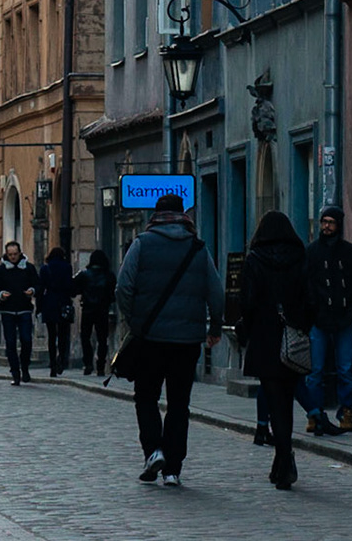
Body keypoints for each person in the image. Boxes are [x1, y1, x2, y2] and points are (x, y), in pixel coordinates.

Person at [115, 193, 225, 488]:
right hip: (187, 341)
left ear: (156, 215)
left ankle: (154, 451)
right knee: (179, 403)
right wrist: (215, 325)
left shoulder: (141, 244)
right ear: (183, 215)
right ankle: (173, 469)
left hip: (150, 338)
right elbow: (216, 292)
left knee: (146, 397)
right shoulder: (198, 248)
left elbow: (123, 287)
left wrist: (135, 320)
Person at [237, 211, 309, 490]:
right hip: (292, 338)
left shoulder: (255, 259)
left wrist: (250, 328)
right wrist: (301, 324)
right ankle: (283, 459)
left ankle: (284, 459)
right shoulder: (300, 257)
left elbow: (247, 301)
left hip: (264, 338)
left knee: (274, 399)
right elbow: (311, 298)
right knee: (287, 401)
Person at [301, 204, 352, 436]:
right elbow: (305, 286)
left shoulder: (350, 252)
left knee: (345, 369)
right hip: (318, 320)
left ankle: (346, 411)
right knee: (315, 370)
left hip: (343, 319)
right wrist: (313, 312)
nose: (326, 226)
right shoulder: (311, 252)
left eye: (331, 222)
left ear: (339, 225)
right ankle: (314, 413)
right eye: (324, 222)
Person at [0, 241, 39, 384]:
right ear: (6, 254)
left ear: (20, 253)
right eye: (10, 255)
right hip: (7, 310)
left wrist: (32, 291)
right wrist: (0, 294)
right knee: (10, 343)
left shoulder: (28, 268)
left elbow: (38, 284)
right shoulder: (1, 269)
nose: (13, 257)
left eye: (15, 254)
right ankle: (15, 373)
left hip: (24, 309)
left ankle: (25, 367)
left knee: (26, 340)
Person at [72, 248, 116, 376]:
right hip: (102, 310)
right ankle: (101, 365)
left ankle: (88, 363)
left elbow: (74, 289)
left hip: (88, 309)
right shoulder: (109, 275)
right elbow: (113, 293)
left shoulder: (84, 275)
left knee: (85, 337)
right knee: (102, 339)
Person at [36, 247, 76, 376]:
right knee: (63, 334)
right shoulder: (67, 267)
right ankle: (61, 359)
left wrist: (39, 307)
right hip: (63, 302)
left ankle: (52, 364)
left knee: (52, 336)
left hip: (49, 303)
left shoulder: (45, 268)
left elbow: (40, 289)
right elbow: (70, 286)